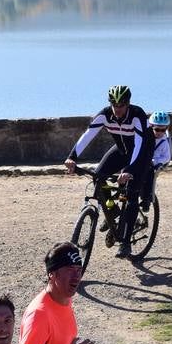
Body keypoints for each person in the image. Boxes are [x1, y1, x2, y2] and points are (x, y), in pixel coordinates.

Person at [64, 84, 153, 259]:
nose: (117, 109)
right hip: (121, 151)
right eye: (114, 105)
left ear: (128, 103)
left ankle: (126, 243)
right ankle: (112, 212)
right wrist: (72, 157)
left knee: (131, 193)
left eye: (121, 105)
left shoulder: (137, 115)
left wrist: (129, 170)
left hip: (141, 154)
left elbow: (139, 145)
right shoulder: (105, 114)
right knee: (98, 177)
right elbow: (88, 135)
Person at [147, 110, 172, 206]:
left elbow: (167, 157)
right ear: (151, 126)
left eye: (163, 130)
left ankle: (147, 197)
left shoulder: (164, 142)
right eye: (157, 129)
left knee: (150, 175)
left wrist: (156, 161)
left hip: (154, 164)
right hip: (145, 160)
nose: (160, 132)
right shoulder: (146, 137)